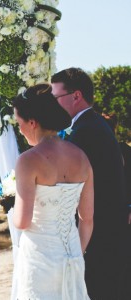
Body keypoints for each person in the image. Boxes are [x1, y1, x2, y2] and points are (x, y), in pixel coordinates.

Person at [51, 67, 130, 299]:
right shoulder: (94, 125)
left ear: (76, 96)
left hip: (100, 235)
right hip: (112, 229)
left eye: (56, 97)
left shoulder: (84, 132)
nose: (53, 104)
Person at [11, 84, 94, 299]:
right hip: (73, 255)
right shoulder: (82, 157)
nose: (19, 130)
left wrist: (10, 206)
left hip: (40, 259)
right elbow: (87, 219)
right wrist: (76, 253)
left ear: (32, 123)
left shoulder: (28, 160)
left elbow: (22, 221)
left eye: (19, 124)